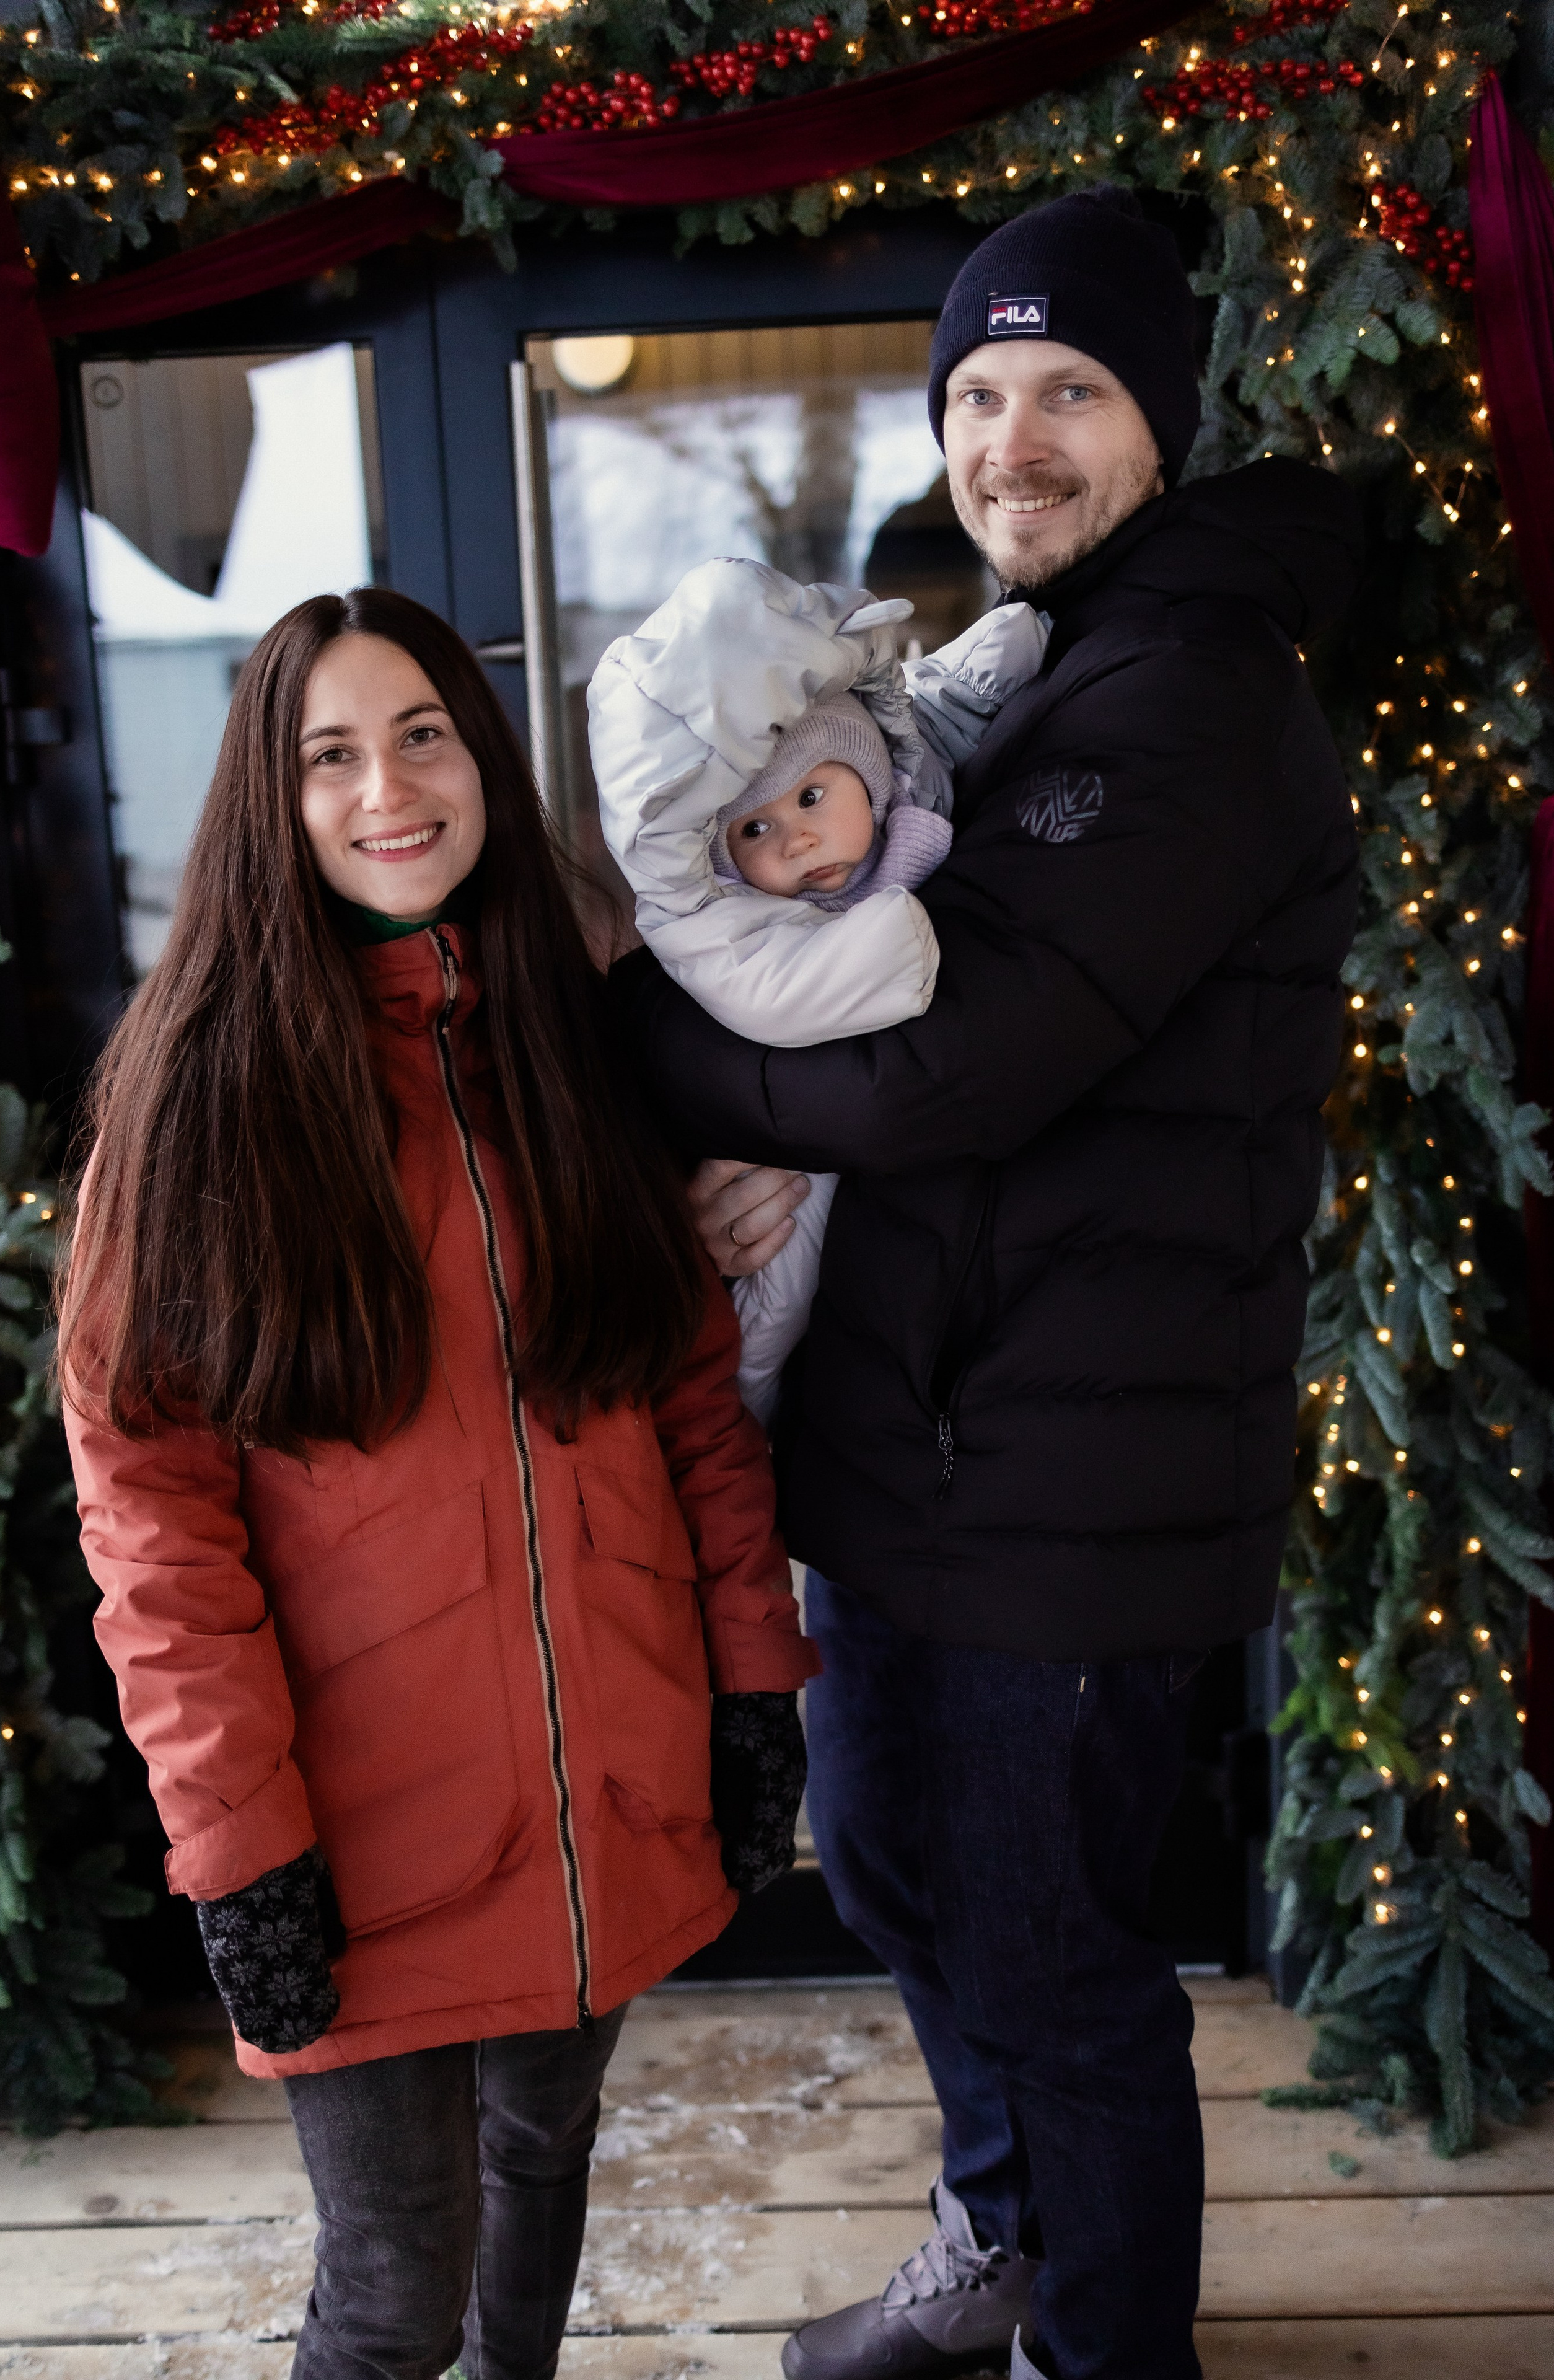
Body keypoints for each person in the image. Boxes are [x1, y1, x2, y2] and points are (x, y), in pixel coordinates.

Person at [617, 186, 1363, 2380]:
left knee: (1054, 1953)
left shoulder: (1195, 691)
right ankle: (999, 2234)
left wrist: (655, 1053)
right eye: (976, 394)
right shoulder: (1036, 668)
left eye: (1070, 391)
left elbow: (958, 1065)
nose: (1011, 440)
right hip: (926, 1442)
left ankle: (1103, 2346)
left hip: (1081, 1468)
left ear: (1164, 422)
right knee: (898, 1881)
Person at [56, 586, 819, 2380]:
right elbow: (152, 1527)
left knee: (544, 2159)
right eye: (332, 754)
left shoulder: (581, 1048)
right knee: (396, 2284)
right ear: (275, 798)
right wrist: (240, 1855)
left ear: (482, 766)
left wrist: (753, 1683)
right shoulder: (199, 1104)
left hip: (601, 1780)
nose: (388, 788)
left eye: (423, 737)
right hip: (355, 1824)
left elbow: (694, 1404)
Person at [589, 555, 1048, 1421]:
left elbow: (935, 707)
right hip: (795, 1131)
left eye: (811, 797)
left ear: (867, 776)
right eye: (756, 828)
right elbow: (772, 992)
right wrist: (891, 946)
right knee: (786, 1263)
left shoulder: (904, 795)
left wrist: (1002, 651)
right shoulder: (731, 916)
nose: (797, 841)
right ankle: (749, 1400)